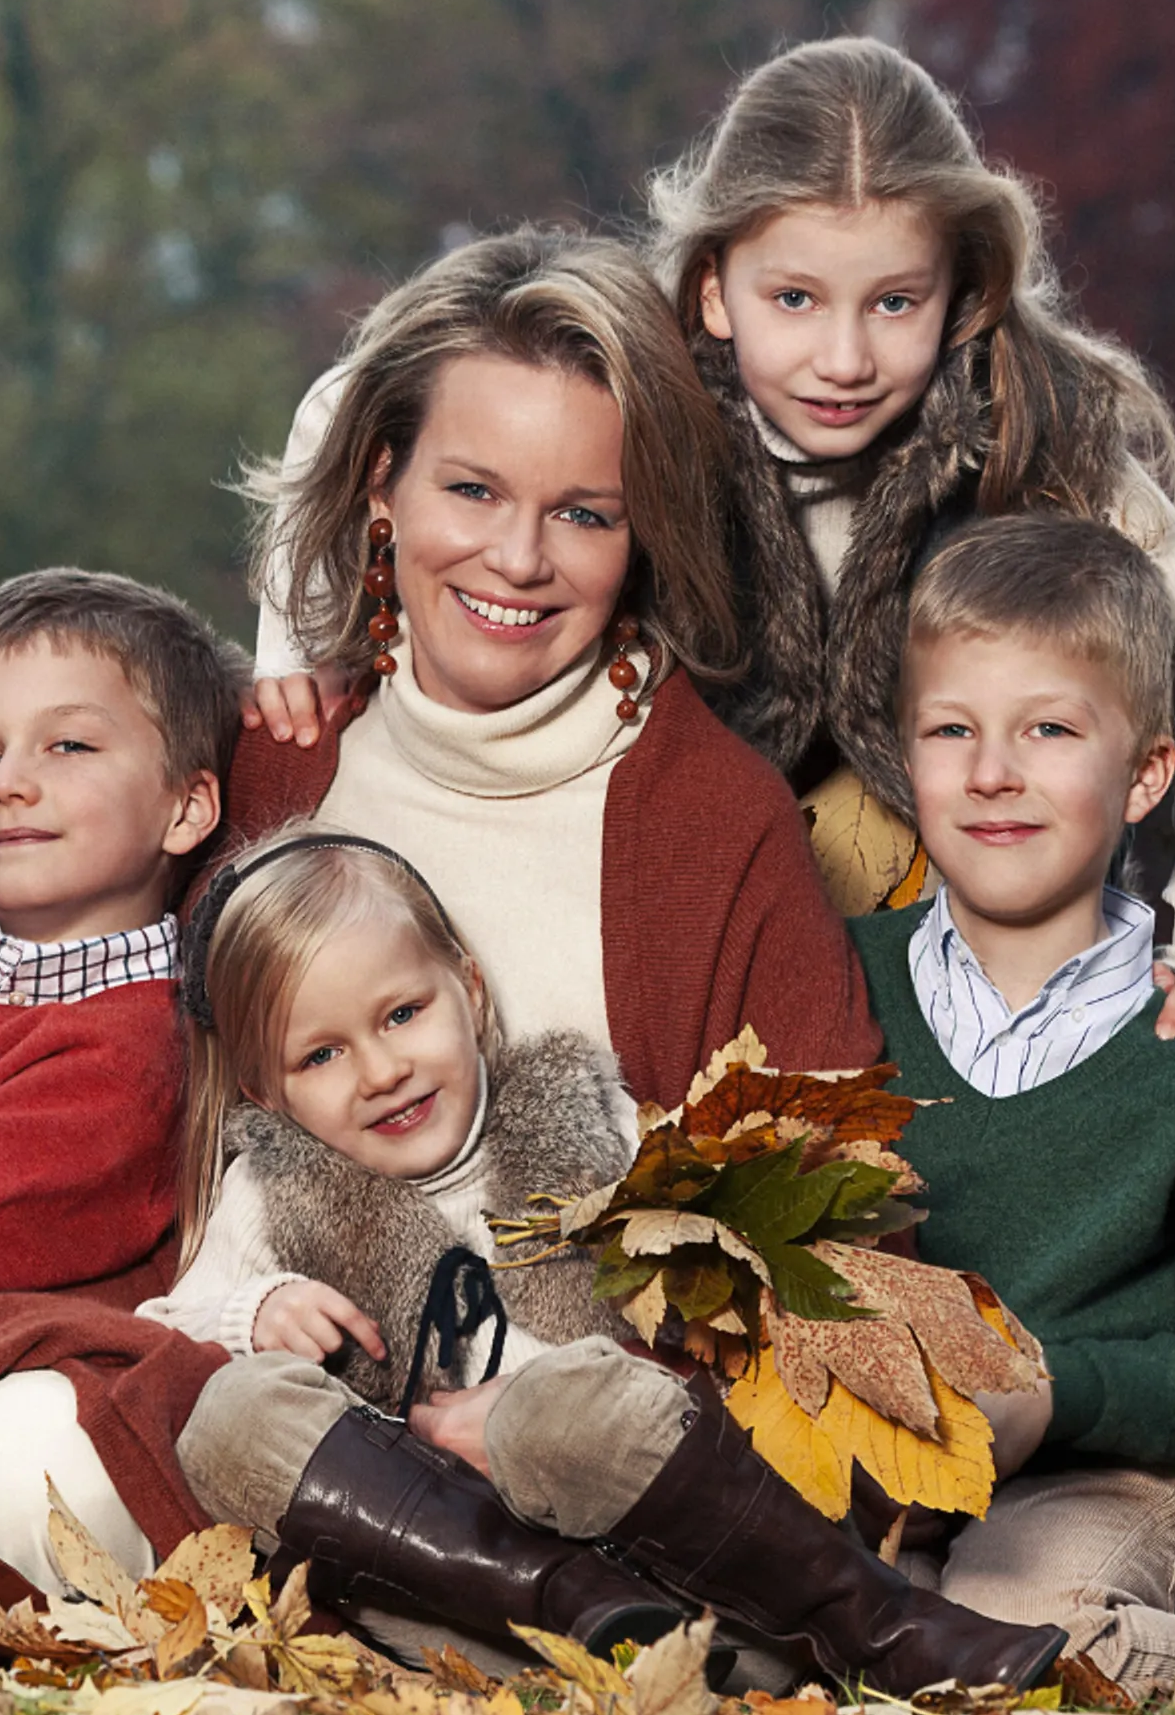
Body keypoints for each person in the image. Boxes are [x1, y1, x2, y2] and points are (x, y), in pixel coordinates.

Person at [242, 40, 1175, 973]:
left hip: (976, 905)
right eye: (793, 299)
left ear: (957, 295)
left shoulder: (1042, 430)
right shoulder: (656, 380)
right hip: (711, 884)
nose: (843, 359)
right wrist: (294, 644)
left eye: (895, 303)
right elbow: (350, 402)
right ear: (712, 289)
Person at [142, 827, 1068, 1692]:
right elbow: (170, 1333)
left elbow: (713, 1287)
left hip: (668, 1553)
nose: (380, 1070)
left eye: (402, 1013)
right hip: (470, 1601)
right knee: (227, 1414)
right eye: (322, 1055)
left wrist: (520, 1419)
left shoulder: (585, 1120)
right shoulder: (275, 1190)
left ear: (467, 989)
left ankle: (876, 1624)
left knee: (566, 1409)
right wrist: (254, 1310)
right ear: (268, 1088)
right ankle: (592, 1620)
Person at [203, 225, 880, 1102]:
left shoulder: (718, 822)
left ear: (644, 538)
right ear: (384, 483)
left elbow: (849, 1200)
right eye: (473, 491)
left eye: (584, 515)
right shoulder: (268, 767)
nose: (519, 560)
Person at [847, 517, 1175, 1701]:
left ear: (1145, 773)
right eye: (954, 732)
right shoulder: (843, 978)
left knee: (1008, 1636)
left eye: (1049, 730)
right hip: (874, 1462)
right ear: (908, 759)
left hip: (1093, 1470)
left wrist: (1056, 1400)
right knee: (835, 1615)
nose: (993, 772)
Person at [0, 571, 249, 1612]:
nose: (8, 782)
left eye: (68, 746)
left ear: (187, 807)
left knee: (27, 1465)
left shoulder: (139, 1047)